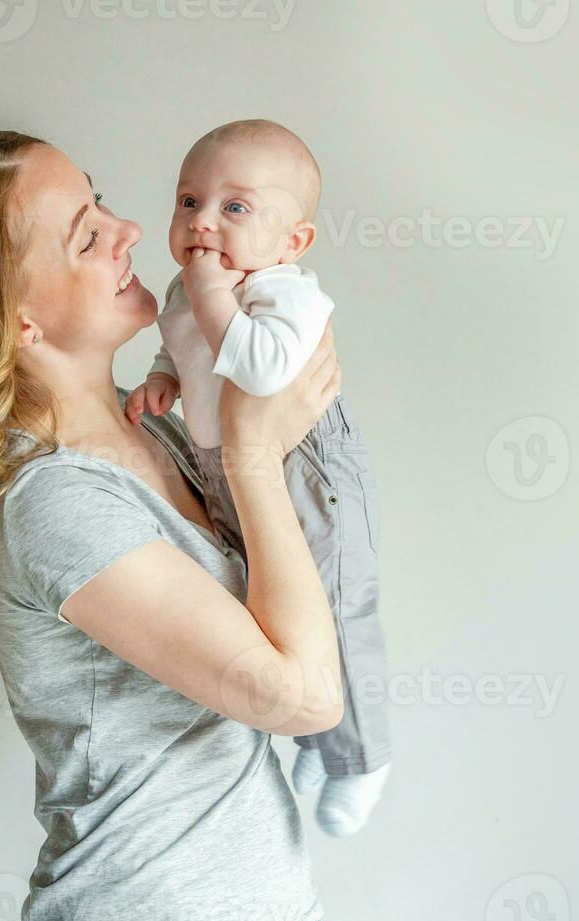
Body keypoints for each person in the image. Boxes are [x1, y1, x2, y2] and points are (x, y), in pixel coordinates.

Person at [0, 130, 347, 921]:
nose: (130, 230)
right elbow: (303, 696)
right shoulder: (55, 502)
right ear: (17, 320)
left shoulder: (154, 431)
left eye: (101, 201)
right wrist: (254, 456)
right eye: (85, 233)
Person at [129, 119, 392, 836]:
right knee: (271, 601)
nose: (202, 224)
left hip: (304, 464)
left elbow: (263, 370)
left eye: (234, 208)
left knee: (335, 604)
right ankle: (321, 737)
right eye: (188, 202)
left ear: (292, 242)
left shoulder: (283, 292)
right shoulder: (191, 291)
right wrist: (162, 380)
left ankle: (362, 756)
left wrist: (213, 295)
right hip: (230, 466)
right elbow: (180, 346)